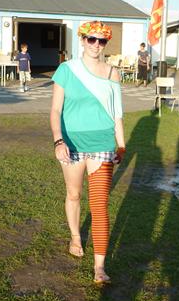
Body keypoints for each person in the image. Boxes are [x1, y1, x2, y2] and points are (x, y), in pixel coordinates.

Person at [50, 20, 126, 285]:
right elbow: (55, 110)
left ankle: (99, 267)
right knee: (74, 194)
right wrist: (58, 141)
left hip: (102, 144)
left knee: (100, 205)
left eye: (101, 41)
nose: (96, 45)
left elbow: (117, 114)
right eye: (91, 39)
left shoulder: (112, 73)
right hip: (71, 143)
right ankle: (75, 237)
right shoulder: (66, 70)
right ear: (82, 40)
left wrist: (121, 144)